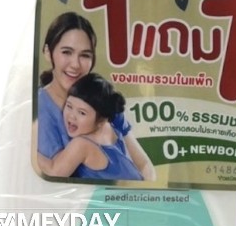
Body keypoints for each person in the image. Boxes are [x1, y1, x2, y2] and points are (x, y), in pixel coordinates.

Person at [35, 12, 135, 172]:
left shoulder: (100, 95)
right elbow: (54, 174)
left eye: (85, 55)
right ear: (48, 52)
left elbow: (143, 165)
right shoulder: (40, 108)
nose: (75, 64)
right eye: (66, 52)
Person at [43, 74, 156, 182]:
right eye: (69, 106)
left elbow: (54, 172)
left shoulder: (81, 144)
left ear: (101, 121)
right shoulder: (112, 126)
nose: (71, 116)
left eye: (82, 113)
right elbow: (144, 164)